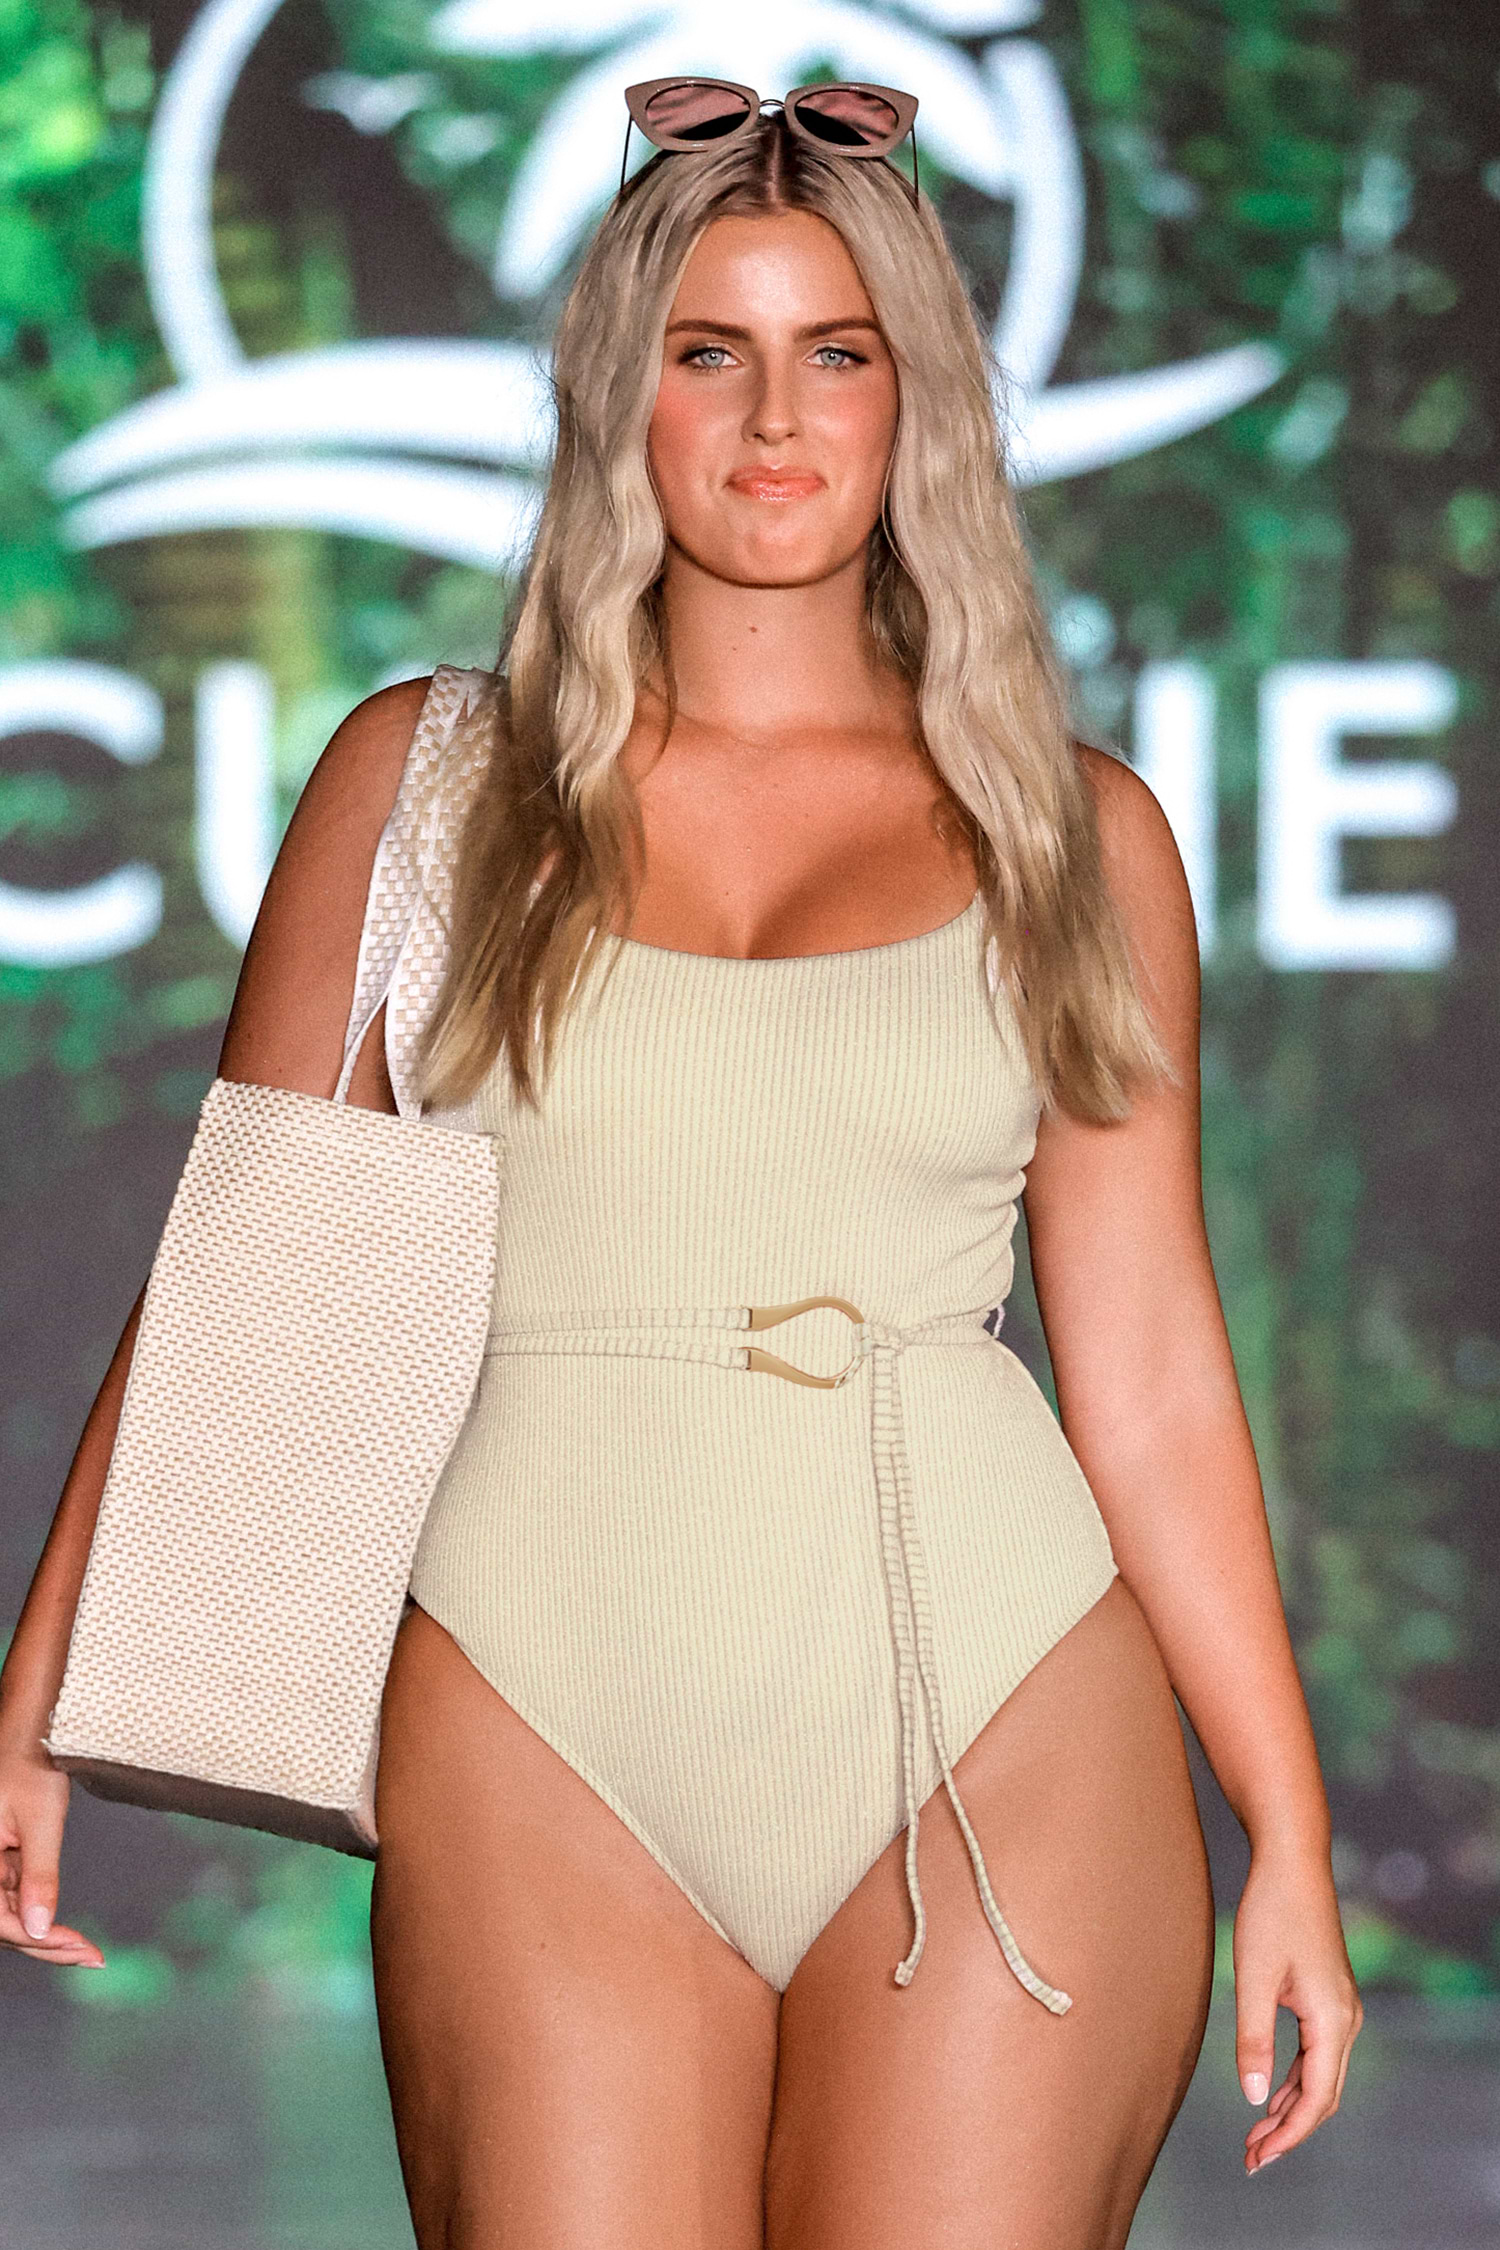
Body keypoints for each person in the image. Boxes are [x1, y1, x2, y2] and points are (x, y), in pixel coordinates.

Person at [0, 79, 1362, 2250]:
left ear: (918, 401)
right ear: (616, 393)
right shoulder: (423, 784)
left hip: (999, 1702)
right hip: (538, 1703)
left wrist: (1289, 1825)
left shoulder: (1073, 835)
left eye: (841, 351)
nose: (775, 420)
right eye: (708, 351)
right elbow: (251, 1282)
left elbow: (1152, 1370)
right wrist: (51, 1694)